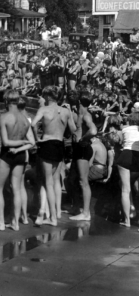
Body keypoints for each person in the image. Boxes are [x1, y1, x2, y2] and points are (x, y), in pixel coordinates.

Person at [32, 86, 76, 227]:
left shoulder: (44, 109)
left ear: (48, 97)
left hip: (47, 143)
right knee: (55, 179)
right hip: (59, 144)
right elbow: (73, 129)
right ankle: (55, 213)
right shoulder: (65, 111)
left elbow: (33, 124)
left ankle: (51, 217)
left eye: (44, 96)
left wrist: (37, 139)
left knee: (48, 182)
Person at [0, 90, 34, 232]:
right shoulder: (25, 118)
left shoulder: (4, 117)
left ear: (6, 101)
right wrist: (20, 147)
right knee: (17, 188)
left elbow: (5, 142)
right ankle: (15, 222)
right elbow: (32, 142)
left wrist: (17, 144)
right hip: (20, 154)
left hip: (7, 155)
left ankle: (0, 221)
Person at [67, 89, 98, 222]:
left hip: (83, 148)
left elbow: (93, 131)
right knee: (72, 178)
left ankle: (86, 213)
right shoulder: (80, 113)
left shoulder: (86, 115)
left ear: (80, 101)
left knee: (83, 181)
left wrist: (83, 138)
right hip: (78, 149)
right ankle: (77, 207)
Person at [115, 112, 139, 228]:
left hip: (125, 155)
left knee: (125, 189)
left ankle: (127, 221)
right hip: (137, 157)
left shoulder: (125, 129)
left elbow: (118, 142)